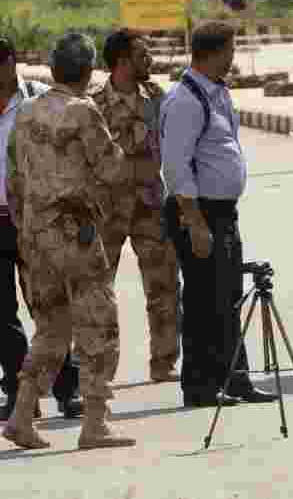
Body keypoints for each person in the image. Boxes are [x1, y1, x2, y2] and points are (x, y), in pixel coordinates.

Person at [2, 33, 134, 450]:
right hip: (73, 233)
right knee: (99, 324)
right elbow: (113, 170)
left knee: (51, 328)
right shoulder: (83, 111)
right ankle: (95, 422)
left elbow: (13, 178)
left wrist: (27, 225)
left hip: (34, 236)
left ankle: (22, 415)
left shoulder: (25, 111)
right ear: (89, 70)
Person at [159, 20, 277, 408]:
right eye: (230, 50)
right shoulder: (184, 99)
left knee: (227, 296)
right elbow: (176, 168)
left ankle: (235, 378)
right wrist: (194, 223)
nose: (233, 58)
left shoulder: (217, 93)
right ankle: (200, 386)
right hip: (198, 212)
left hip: (223, 212)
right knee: (202, 301)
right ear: (212, 53)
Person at [90, 30, 181, 384]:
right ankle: (97, 369)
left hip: (149, 204)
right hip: (107, 209)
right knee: (98, 291)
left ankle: (164, 361)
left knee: (164, 285)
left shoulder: (156, 97)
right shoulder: (94, 101)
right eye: (143, 55)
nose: (151, 60)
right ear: (123, 61)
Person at [0, 38, 82, 421]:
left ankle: (69, 391)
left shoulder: (38, 100)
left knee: (49, 308)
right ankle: (22, 396)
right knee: (2, 315)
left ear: (11, 63)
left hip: (37, 219)